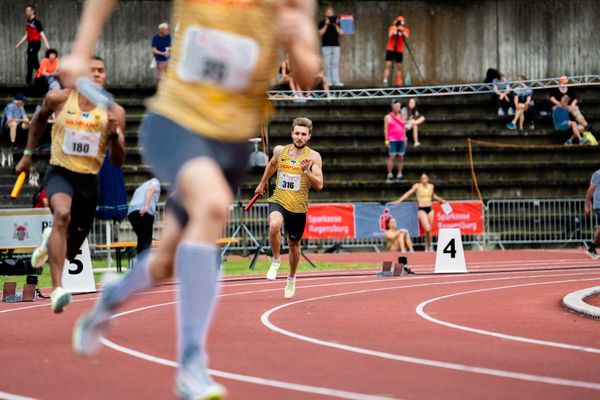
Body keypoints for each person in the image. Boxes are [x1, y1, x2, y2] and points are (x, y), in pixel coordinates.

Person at [63, 1, 320, 398]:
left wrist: (297, 36)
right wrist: (81, 50)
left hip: (230, 144)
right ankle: (191, 364)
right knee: (215, 203)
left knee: (166, 261)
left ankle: (108, 300)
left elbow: (307, 77)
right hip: (175, 124)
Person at [14, 56, 126, 313]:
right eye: (92, 71)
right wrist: (28, 155)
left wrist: (114, 136)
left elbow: (118, 161)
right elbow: (39, 119)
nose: (97, 74)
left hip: (89, 181)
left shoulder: (114, 112)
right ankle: (57, 289)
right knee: (62, 215)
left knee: (71, 250)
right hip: (60, 172)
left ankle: (47, 242)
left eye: (101, 71)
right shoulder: (60, 98)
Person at [256, 117, 323, 298]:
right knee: (274, 225)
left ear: (309, 136)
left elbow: (319, 185)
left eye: (303, 134)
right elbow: (272, 164)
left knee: (294, 244)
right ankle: (276, 261)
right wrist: (262, 183)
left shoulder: (313, 157)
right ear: (291, 133)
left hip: (298, 206)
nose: (300, 137)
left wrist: (305, 171)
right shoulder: (280, 150)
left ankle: (291, 278)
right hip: (279, 199)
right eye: (297, 133)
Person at [392, 173, 446, 252]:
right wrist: (399, 200)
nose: (424, 179)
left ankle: (427, 247)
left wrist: (442, 200)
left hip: (430, 208)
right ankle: (430, 245)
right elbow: (408, 193)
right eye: (422, 178)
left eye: (425, 178)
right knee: (427, 228)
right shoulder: (417, 186)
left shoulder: (431, 186)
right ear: (420, 179)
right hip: (421, 209)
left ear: (427, 179)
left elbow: (433, 196)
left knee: (429, 230)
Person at [15, 4, 51, 84]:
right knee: (32, 62)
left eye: (28, 10)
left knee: (30, 58)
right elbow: (26, 35)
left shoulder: (37, 22)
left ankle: (30, 79)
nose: (26, 12)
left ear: (32, 11)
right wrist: (19, 43)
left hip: (36, 43)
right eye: (26, 11)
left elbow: (42, 34)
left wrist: (47, 44)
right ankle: (40, 75)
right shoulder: (28, 22)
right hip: (30, 43)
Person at [128, 178, 161, 254]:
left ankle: (140, 262)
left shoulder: (140, 188)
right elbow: (151, 190)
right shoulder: (155, 182)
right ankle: (144, 263)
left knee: (141, 240)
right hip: (144, 212)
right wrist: (146, 206)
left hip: (131, 214)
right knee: (146, 242)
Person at [318, 6, 343, 86]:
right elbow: (320, 33)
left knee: (335, 64)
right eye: (327, 13)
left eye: (330, 13)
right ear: (325, 14)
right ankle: (328, 81)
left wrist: (335, 25)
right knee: (327, 64)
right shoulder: (321, 23)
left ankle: (336, 81)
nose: (329, 14)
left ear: (333, 14)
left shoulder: (337, 22)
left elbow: (341, 33)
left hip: (336, 46)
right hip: (325, 46)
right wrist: (326, 24)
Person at [383, 16, 410, 86]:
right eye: (399, 22)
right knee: (388, 65)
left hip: (399, 50)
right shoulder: (392, 28)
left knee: (399, 66)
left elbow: (406, 36)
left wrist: (401, 30)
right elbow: (389, 35)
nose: (400, 24)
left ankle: (399, 80)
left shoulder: (405, 29)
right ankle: (385, 81)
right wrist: (395, 27)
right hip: (391, 49)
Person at [384, 99, 407, 182]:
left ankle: (400, 174)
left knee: (401, 157)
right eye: (396, 106)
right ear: (393, 107)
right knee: (392, 157)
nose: (398, 108)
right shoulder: (388, 117)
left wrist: (405, 138)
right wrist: (386, 141)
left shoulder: (402, 116)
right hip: (392, 140)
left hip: (401, 139)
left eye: (399, 106)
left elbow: (403, 127)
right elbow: (386, 129)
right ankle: (389, 174)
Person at [585, 169, 600, 259]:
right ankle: (591, 248)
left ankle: (591, 248)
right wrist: (587, 206)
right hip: (598, 205)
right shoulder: (597, 174)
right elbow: (590, 190)